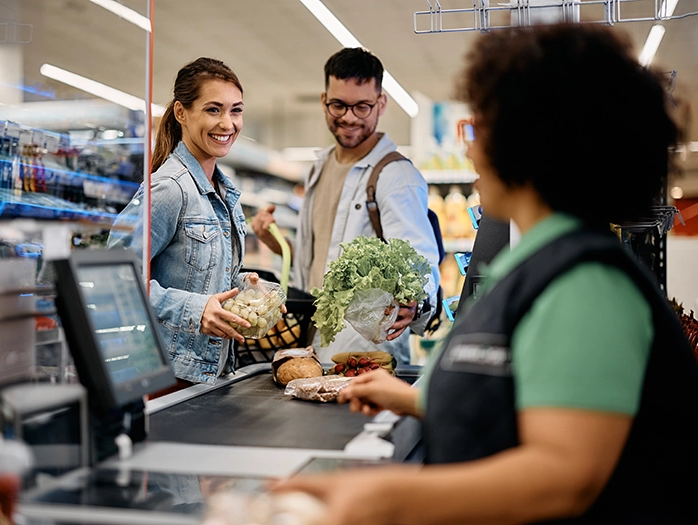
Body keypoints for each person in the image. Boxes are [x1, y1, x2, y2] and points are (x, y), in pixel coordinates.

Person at [275, 24, 698, 523]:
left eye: (483, 129)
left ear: (534, 143)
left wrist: (386, 499)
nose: (471, 150)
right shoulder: (542, 262)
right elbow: (525, 400)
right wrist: (415, 399)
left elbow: (565, 475)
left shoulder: (587, 285)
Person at [251, 47, 441, 365]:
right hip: (311, 346)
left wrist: (414, 303)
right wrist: (277, 242)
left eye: (362, 106)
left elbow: (419, 263)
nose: (349, 117)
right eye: (339, 105)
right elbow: (322, 263)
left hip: (365, 356)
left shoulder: (396, 176)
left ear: (381, 104)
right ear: (325, 100)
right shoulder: (319, 167)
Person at [108, 57, 261, 386]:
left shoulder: (224, 193)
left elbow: (199, 278)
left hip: (210, 375)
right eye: (213, 110)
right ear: (181, 113)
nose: (227, 123)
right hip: (166, 377)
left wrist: (243, 288)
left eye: (236, 110)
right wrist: (195, 309)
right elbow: (115, 279)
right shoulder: (169, 189)